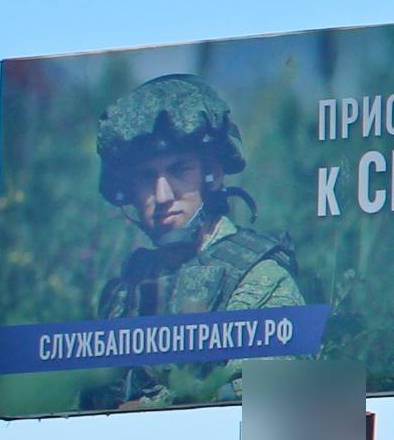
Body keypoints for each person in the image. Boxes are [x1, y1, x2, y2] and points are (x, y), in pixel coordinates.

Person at [85, 73, 305, 408]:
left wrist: (150, 407)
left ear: (212, 175)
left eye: (179, 170)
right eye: (147, 177)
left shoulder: (260, 278)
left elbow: (269, 407)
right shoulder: (124, 290)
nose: (162, 195)